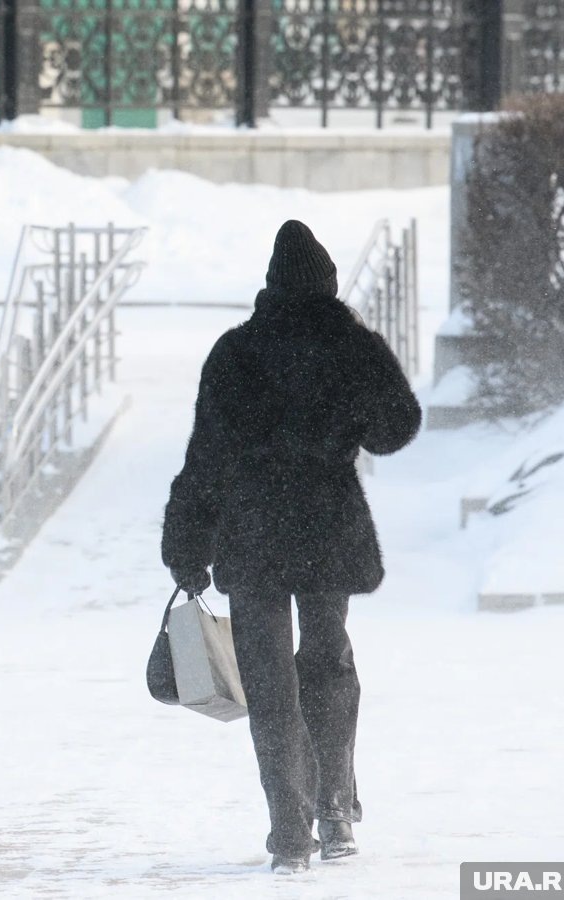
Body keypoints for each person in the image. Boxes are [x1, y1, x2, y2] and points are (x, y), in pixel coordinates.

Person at [160, 220, 421, 874]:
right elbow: (396, 429)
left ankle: (289, 837)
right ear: (329, 286)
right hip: (326, 526)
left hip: (251, 530)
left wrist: (187, 543)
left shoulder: (236, 351)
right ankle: (335, 811)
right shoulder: (351, 345)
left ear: (272, 286)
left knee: (269, 685)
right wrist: (356, 379)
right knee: (328, 661)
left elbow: (207, 457)